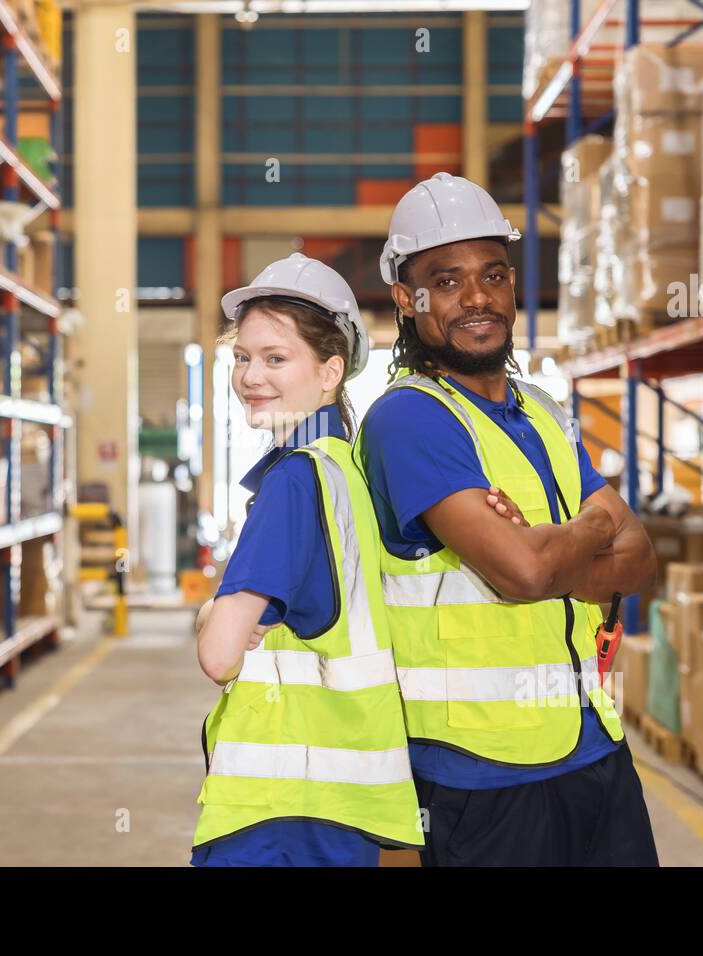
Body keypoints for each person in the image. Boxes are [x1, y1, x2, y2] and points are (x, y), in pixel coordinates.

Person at [356, 172, 661, 866]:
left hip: (593, 749)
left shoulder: (542, 411)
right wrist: (587, 535)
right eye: (447, 280)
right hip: (480, 779)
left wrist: (551, 550)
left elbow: (641, 562)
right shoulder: (410, 418)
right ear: (407, 299)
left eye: (493, 274)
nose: (476, 298)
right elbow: (522, 571)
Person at [190, 253, 422, 867]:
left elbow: (219, 656)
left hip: (278, 813)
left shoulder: (295, 482)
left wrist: (215, 614)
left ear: (329, 372)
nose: (249, 376)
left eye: (275, 358)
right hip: (337, 807)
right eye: (242, 357)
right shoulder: (343, 467)